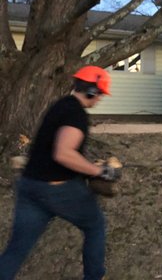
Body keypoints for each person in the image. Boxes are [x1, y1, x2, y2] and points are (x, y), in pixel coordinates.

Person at [0, 66, 120, 280]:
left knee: (17, 250)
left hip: (29, 185)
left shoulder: (60, 106)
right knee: (95, 225)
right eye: (100, 93)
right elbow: (63, 153)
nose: (100, 98)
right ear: (92, 91)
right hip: (56, 188)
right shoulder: (76, 114)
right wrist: (99, 171)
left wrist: (86, 167)